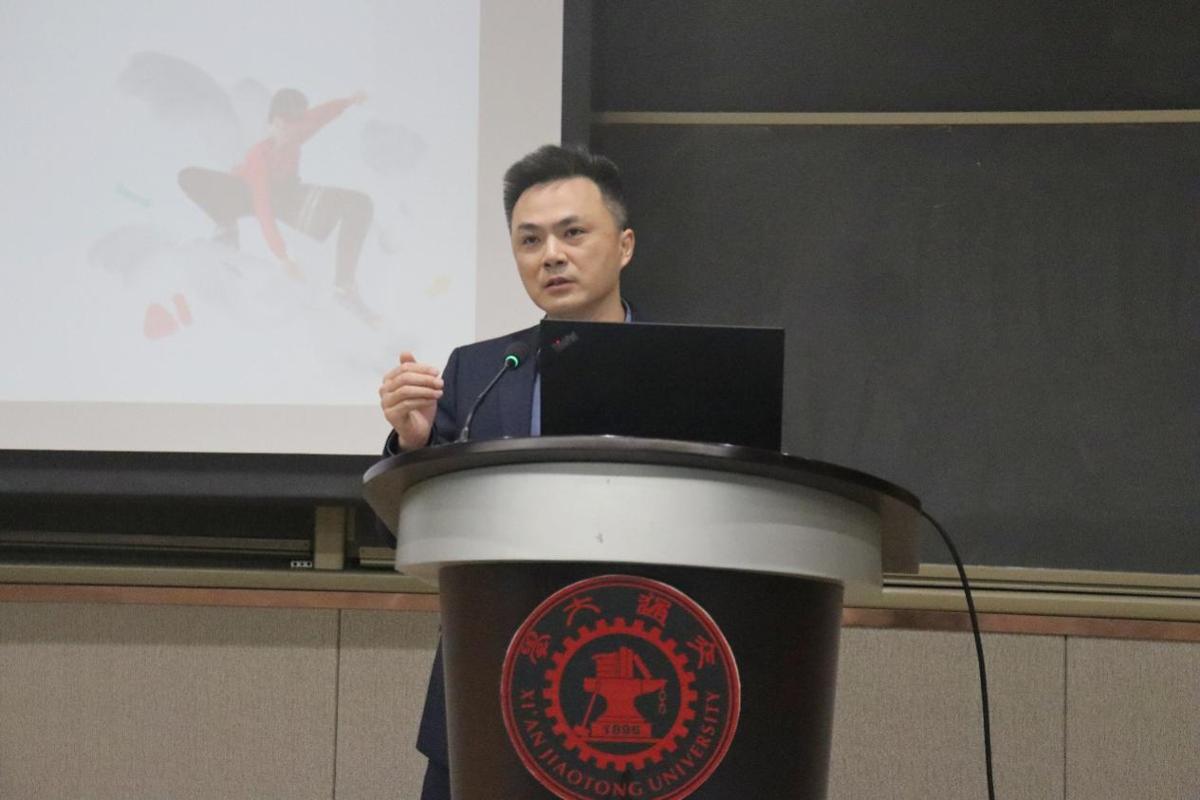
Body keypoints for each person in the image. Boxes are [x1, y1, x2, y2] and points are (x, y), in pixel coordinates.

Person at [376, 144, 636, 798]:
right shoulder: (480, 371)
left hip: (635, 680)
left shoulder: (689, 372)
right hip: (490, 681)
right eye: (530, 240)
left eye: (573, 233)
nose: (551, 255)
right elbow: (404, 529)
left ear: (624, 246)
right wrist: (412, 442)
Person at [178, 88, 378, 321]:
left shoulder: (296, 134)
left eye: (291, 128)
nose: (286, 134)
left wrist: (348, 101)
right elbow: (262, 205)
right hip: (249, 197)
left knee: (360, 204)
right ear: (270, 124)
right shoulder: (259, 155)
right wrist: (284, 257)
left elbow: (320, 115)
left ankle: (344, 288)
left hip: (288, 197)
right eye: (280, 127)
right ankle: (226, 228)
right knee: (189, 176)